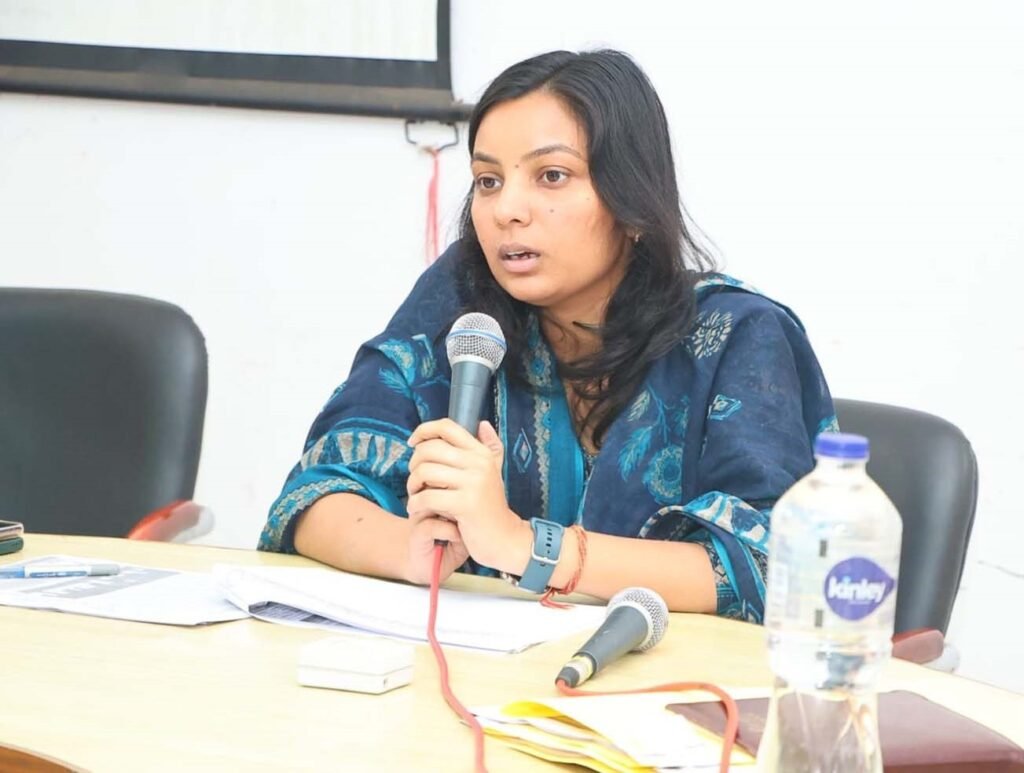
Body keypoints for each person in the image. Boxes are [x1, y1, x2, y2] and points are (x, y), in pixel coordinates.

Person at [259, 49, 835, 622]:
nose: (506, 210)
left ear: (632, 200)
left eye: (551, 176)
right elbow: (315, 496)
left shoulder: (736, 335)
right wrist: (410, 552)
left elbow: (776, 568)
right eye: (488, 181)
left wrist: (522, 544)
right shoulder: (461, 300)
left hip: (662, 672)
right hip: (479, 660)